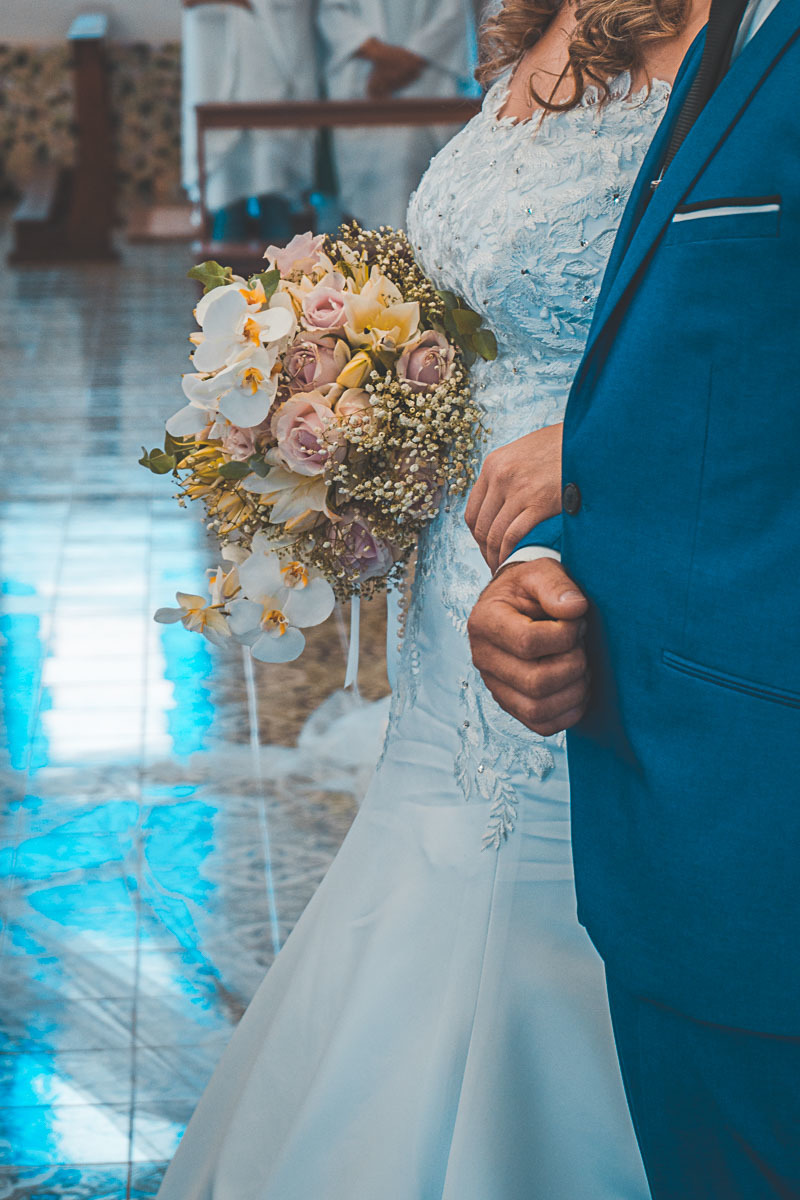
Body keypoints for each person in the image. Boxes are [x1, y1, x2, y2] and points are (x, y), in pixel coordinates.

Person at [155, 3, 710, 1197]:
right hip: (453, 590)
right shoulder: (533, 17)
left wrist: (594, 448)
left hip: (591, 569)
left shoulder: (744, 33)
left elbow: (738, 341)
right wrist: (349, 397)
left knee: (542, 924)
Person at [468, 0, 800, 1196]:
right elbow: (683, 361)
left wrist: (587, 463)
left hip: (759, 824)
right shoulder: (732, 30)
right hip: (671, 829)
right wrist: (537, 548)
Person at [318, 0, 478, 230]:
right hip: (363, 82)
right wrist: (382, 55)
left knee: (421, 183)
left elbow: (452, 12)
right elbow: (332, 11)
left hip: (428, 84)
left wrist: (406, 61)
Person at [181, 0, 317, 240]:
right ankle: (225, 274)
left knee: (275, 200)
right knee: (225, 201)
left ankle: (282, 275)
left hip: (273, 75)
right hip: (216, 71)